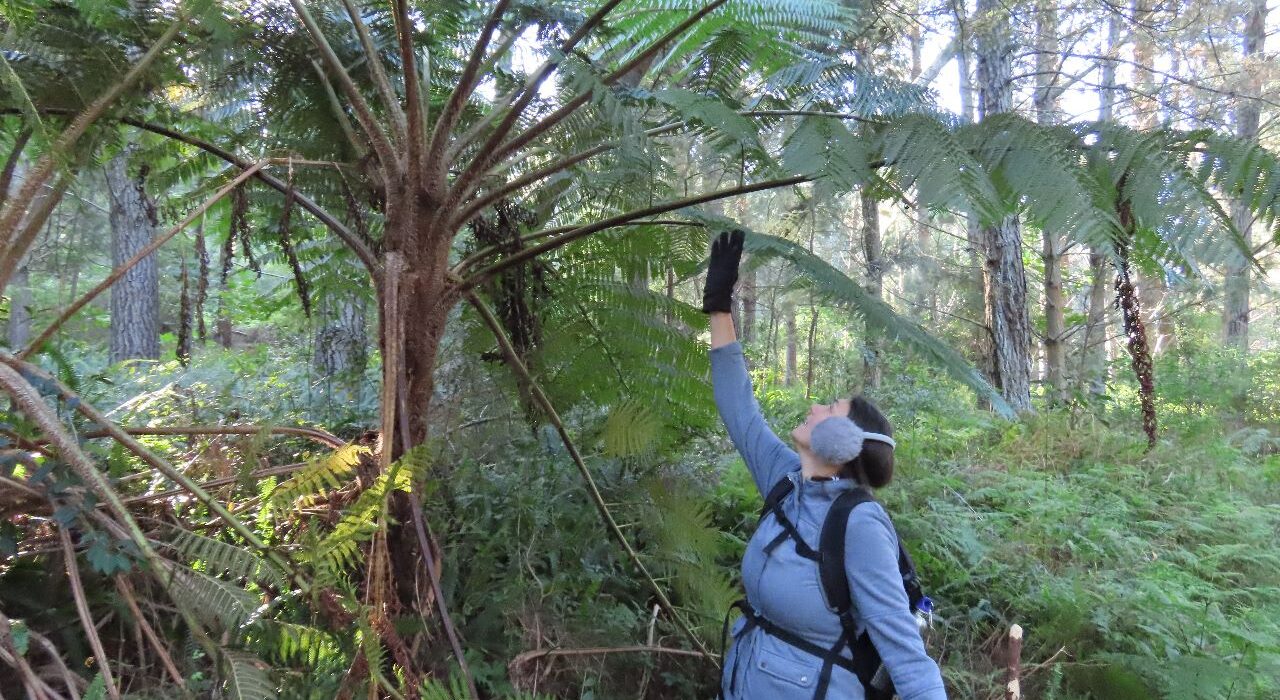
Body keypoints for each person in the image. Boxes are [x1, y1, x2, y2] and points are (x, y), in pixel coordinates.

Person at [705, 230, 947, 700]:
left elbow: (906, 657)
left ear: (846, 442)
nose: (814, 408)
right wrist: (719, 306)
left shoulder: (859, 526)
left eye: (829, 409)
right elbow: (739, 408)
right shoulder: (785, 481)